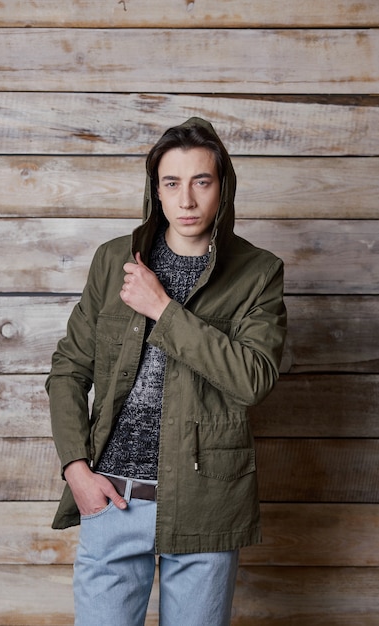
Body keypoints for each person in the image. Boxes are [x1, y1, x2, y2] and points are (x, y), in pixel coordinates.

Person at [46, 117, 287, 626]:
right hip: (111, 499)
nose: (187, 201)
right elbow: (69, 369)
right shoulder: (114, 261)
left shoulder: (258, 272)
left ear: (223, 187)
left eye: (202, 181)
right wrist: (76, 469)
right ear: (156, 191)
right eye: (172, 183)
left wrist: (164, 309)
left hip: (206, 504)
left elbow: (253, 378)